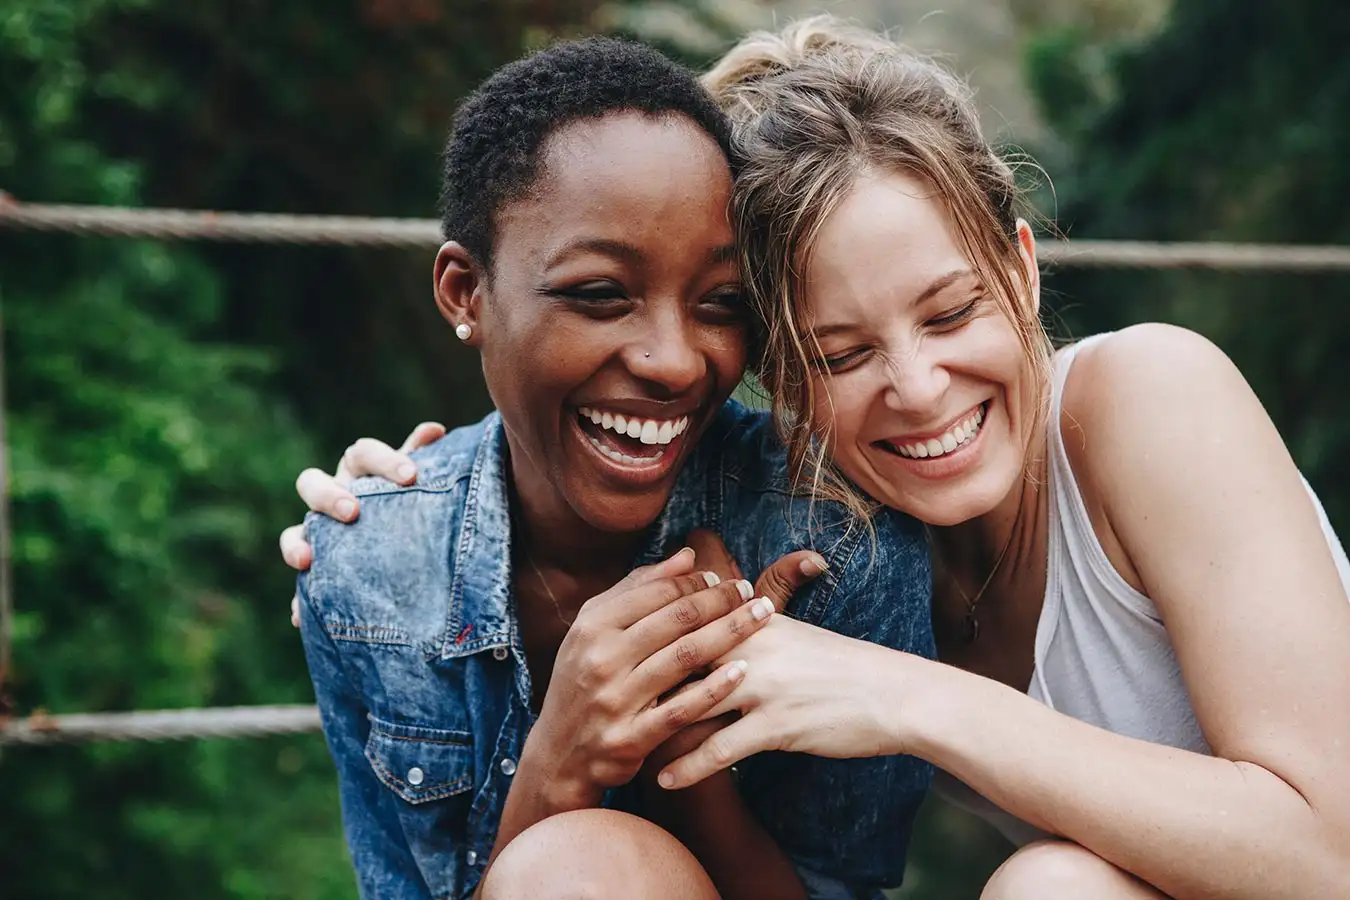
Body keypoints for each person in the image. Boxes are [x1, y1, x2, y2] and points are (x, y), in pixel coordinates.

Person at [294, 17, 1350, 900]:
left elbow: (1330, 851)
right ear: (779, 381)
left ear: (1022, 271)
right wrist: (415, 508)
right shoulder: (845, 537)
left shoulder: (1148, 397)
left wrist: (917, 699)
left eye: (952, 312)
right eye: (841, 354)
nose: (921, 388)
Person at [288, 35, 934, 900]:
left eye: (721, 304)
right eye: (599, 294)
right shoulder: (368, 573)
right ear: (464, 293)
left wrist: (690, 754)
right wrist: (559, 764)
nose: (673, 361)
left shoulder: (833, 540)